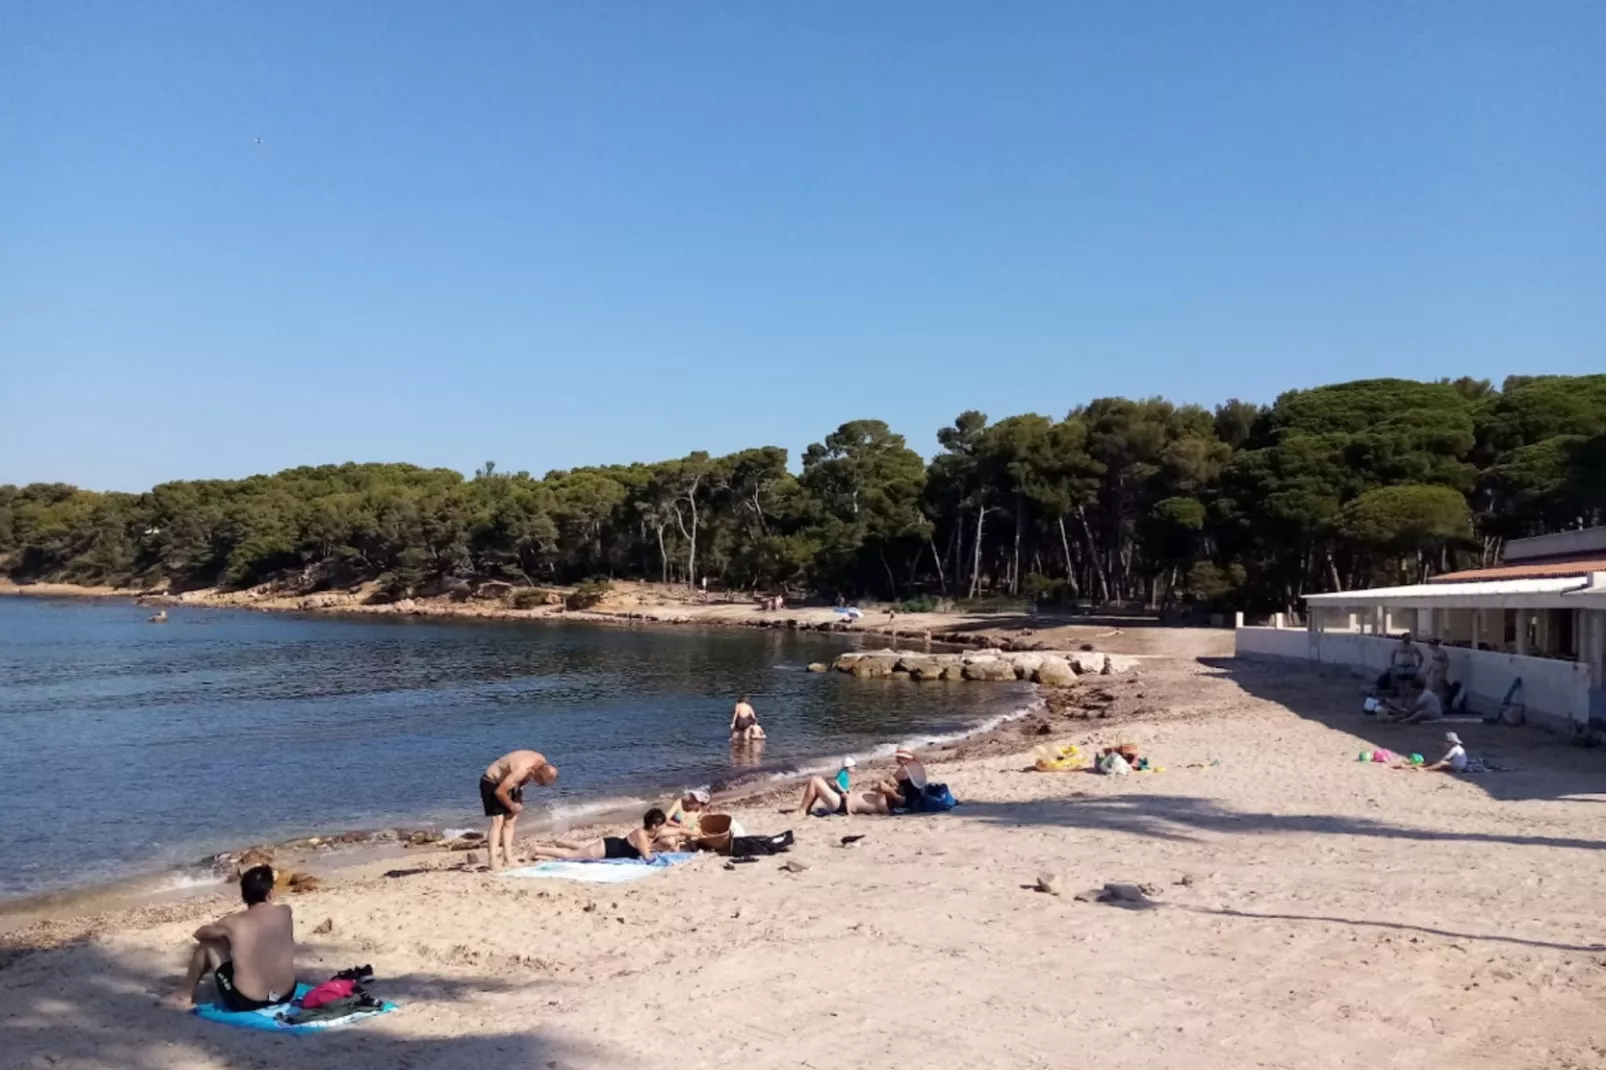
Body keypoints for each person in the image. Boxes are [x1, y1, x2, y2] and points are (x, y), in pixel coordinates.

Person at [172, 864, 296, 1012]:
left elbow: (199, 935)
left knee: (209, 943)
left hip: (248, 1001)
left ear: (244, 896)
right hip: (286, 994)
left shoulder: (232, 923)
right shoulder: (285, 912)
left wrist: (221, 933)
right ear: (270, 894)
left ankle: (184, 995)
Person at [479, 750, 560, 871]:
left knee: (510, 821)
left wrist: (518, 798)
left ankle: (508, 858)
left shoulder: (540, 761)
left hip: (509, 783)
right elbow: (499, 792)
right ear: (535, 773)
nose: (537, 784)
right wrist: (512, 805)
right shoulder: (522, 769)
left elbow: (523, 781)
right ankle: (493, 861)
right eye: (538, 781)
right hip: (492, 782)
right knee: (498, 821)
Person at [529, 809, 666, 862]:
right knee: (569, 856)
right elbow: (647, 857)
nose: (663, 828)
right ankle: (538, 850)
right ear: (654, 826)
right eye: (662, 825)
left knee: (576, 851)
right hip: (604, 849)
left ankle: (558, 844)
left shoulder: (642, 833)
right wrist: (659, 849)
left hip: (608, 845)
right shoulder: (641, 834)